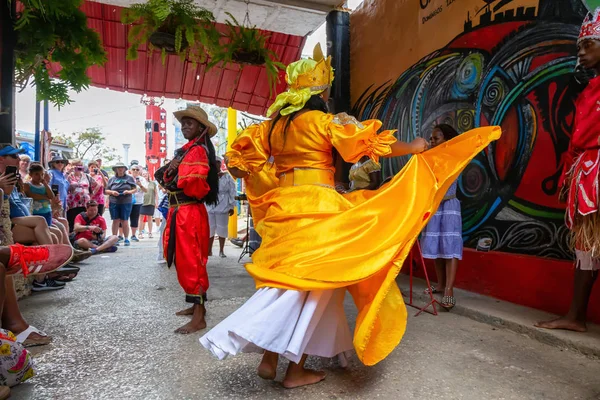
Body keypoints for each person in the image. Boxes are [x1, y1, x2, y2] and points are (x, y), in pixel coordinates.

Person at [198, 44, 500, 388]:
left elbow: (237, 162)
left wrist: (265, 178)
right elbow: (366, 145)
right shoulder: (325, 121)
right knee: (318, 286)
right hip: (318, 208)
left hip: (283, 208)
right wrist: (414, 148)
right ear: (320, 93)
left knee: (289, 281)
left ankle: (272, 355)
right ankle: (294, 369)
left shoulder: (271, 128)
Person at [536, 10, 600, 333]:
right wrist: (568, 177)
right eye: (579, 46)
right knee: (586, 247)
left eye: (588, 44)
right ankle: (576, 316)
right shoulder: (589, 88)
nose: (581, 51)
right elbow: (579, 137)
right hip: (588, 175)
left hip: (595, 173)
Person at [155, 104, 219, 334]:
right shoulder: (187, 151)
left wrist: (172, 176)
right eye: (183, 122)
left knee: (192, 261)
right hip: (181, 211)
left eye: (190, 122)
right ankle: (195, 307)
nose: (184, 126)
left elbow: (189, 185)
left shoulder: (196, 151)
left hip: (188, 212)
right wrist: (171, 174)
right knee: (187, 260)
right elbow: (163, 177)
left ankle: (199, 316)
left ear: (201, 127)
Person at [420, 124, 462, 310]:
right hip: (434, 206)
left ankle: (449, 290)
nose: (432, 141)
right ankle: (439, 285)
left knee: (450, 246)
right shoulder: (429, 159)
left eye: (436, 138)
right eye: (431, 138)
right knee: (436, 245)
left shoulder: (456, 157)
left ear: (447, 140)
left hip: (450, 205)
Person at [206, 158, 236, 258]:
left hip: (223, 205)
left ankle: (221, 250)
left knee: (222, 228)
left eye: (218, 163)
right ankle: (209, 250)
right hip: (210, 205)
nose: (216, 166)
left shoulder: (227, 177)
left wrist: (232, 205)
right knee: (210, 228)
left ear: (220, 165)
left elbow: (232, 191)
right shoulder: (208, 177)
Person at [105, 162, 136, 247]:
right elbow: (106, 190)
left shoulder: (129, 178)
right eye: (118, 168)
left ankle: (126, 238)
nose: (120, 169)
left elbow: (134, 189)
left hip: (126, 201)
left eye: (122, 167)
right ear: (115, 169)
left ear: (125, 169)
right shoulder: (112, 179)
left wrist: (128, 192)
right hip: (114, 201)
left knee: (125, 220)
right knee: (115, 220)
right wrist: (112, 192)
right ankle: (114, 239)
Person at [66, 159, 97, 232]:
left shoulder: (86, 176)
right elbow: (63, 185)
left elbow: (96, 184)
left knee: (84, 220)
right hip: (73, 203)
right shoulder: (69, 175)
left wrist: (91, 194)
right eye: (76, 165)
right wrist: (69, 172)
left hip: (85, 203)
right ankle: (72, 237)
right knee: (72, 220)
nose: (78, 167)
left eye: (80, 165)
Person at [129, 165, 147, 242]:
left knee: (135, 218)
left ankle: (133, 235)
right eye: (133, 169)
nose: (135, 171)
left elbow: (146, 190)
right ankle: (121, 236)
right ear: (130, 170)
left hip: (138, 201)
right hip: (126, 200)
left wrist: (140, 184)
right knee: (124, 218)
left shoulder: (142, 179)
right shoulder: (127, 178)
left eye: (137, 169)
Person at [139, 170, 157, 239]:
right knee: (141, 218)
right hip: (142, 202)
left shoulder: (153, 183)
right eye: (143, 174)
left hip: (151, 201)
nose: (145, 175)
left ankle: (150, 232)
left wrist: (156, 202)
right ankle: (140, 233)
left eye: (146, 174)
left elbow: (156, 193)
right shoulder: (140, 183)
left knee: (150, 218)